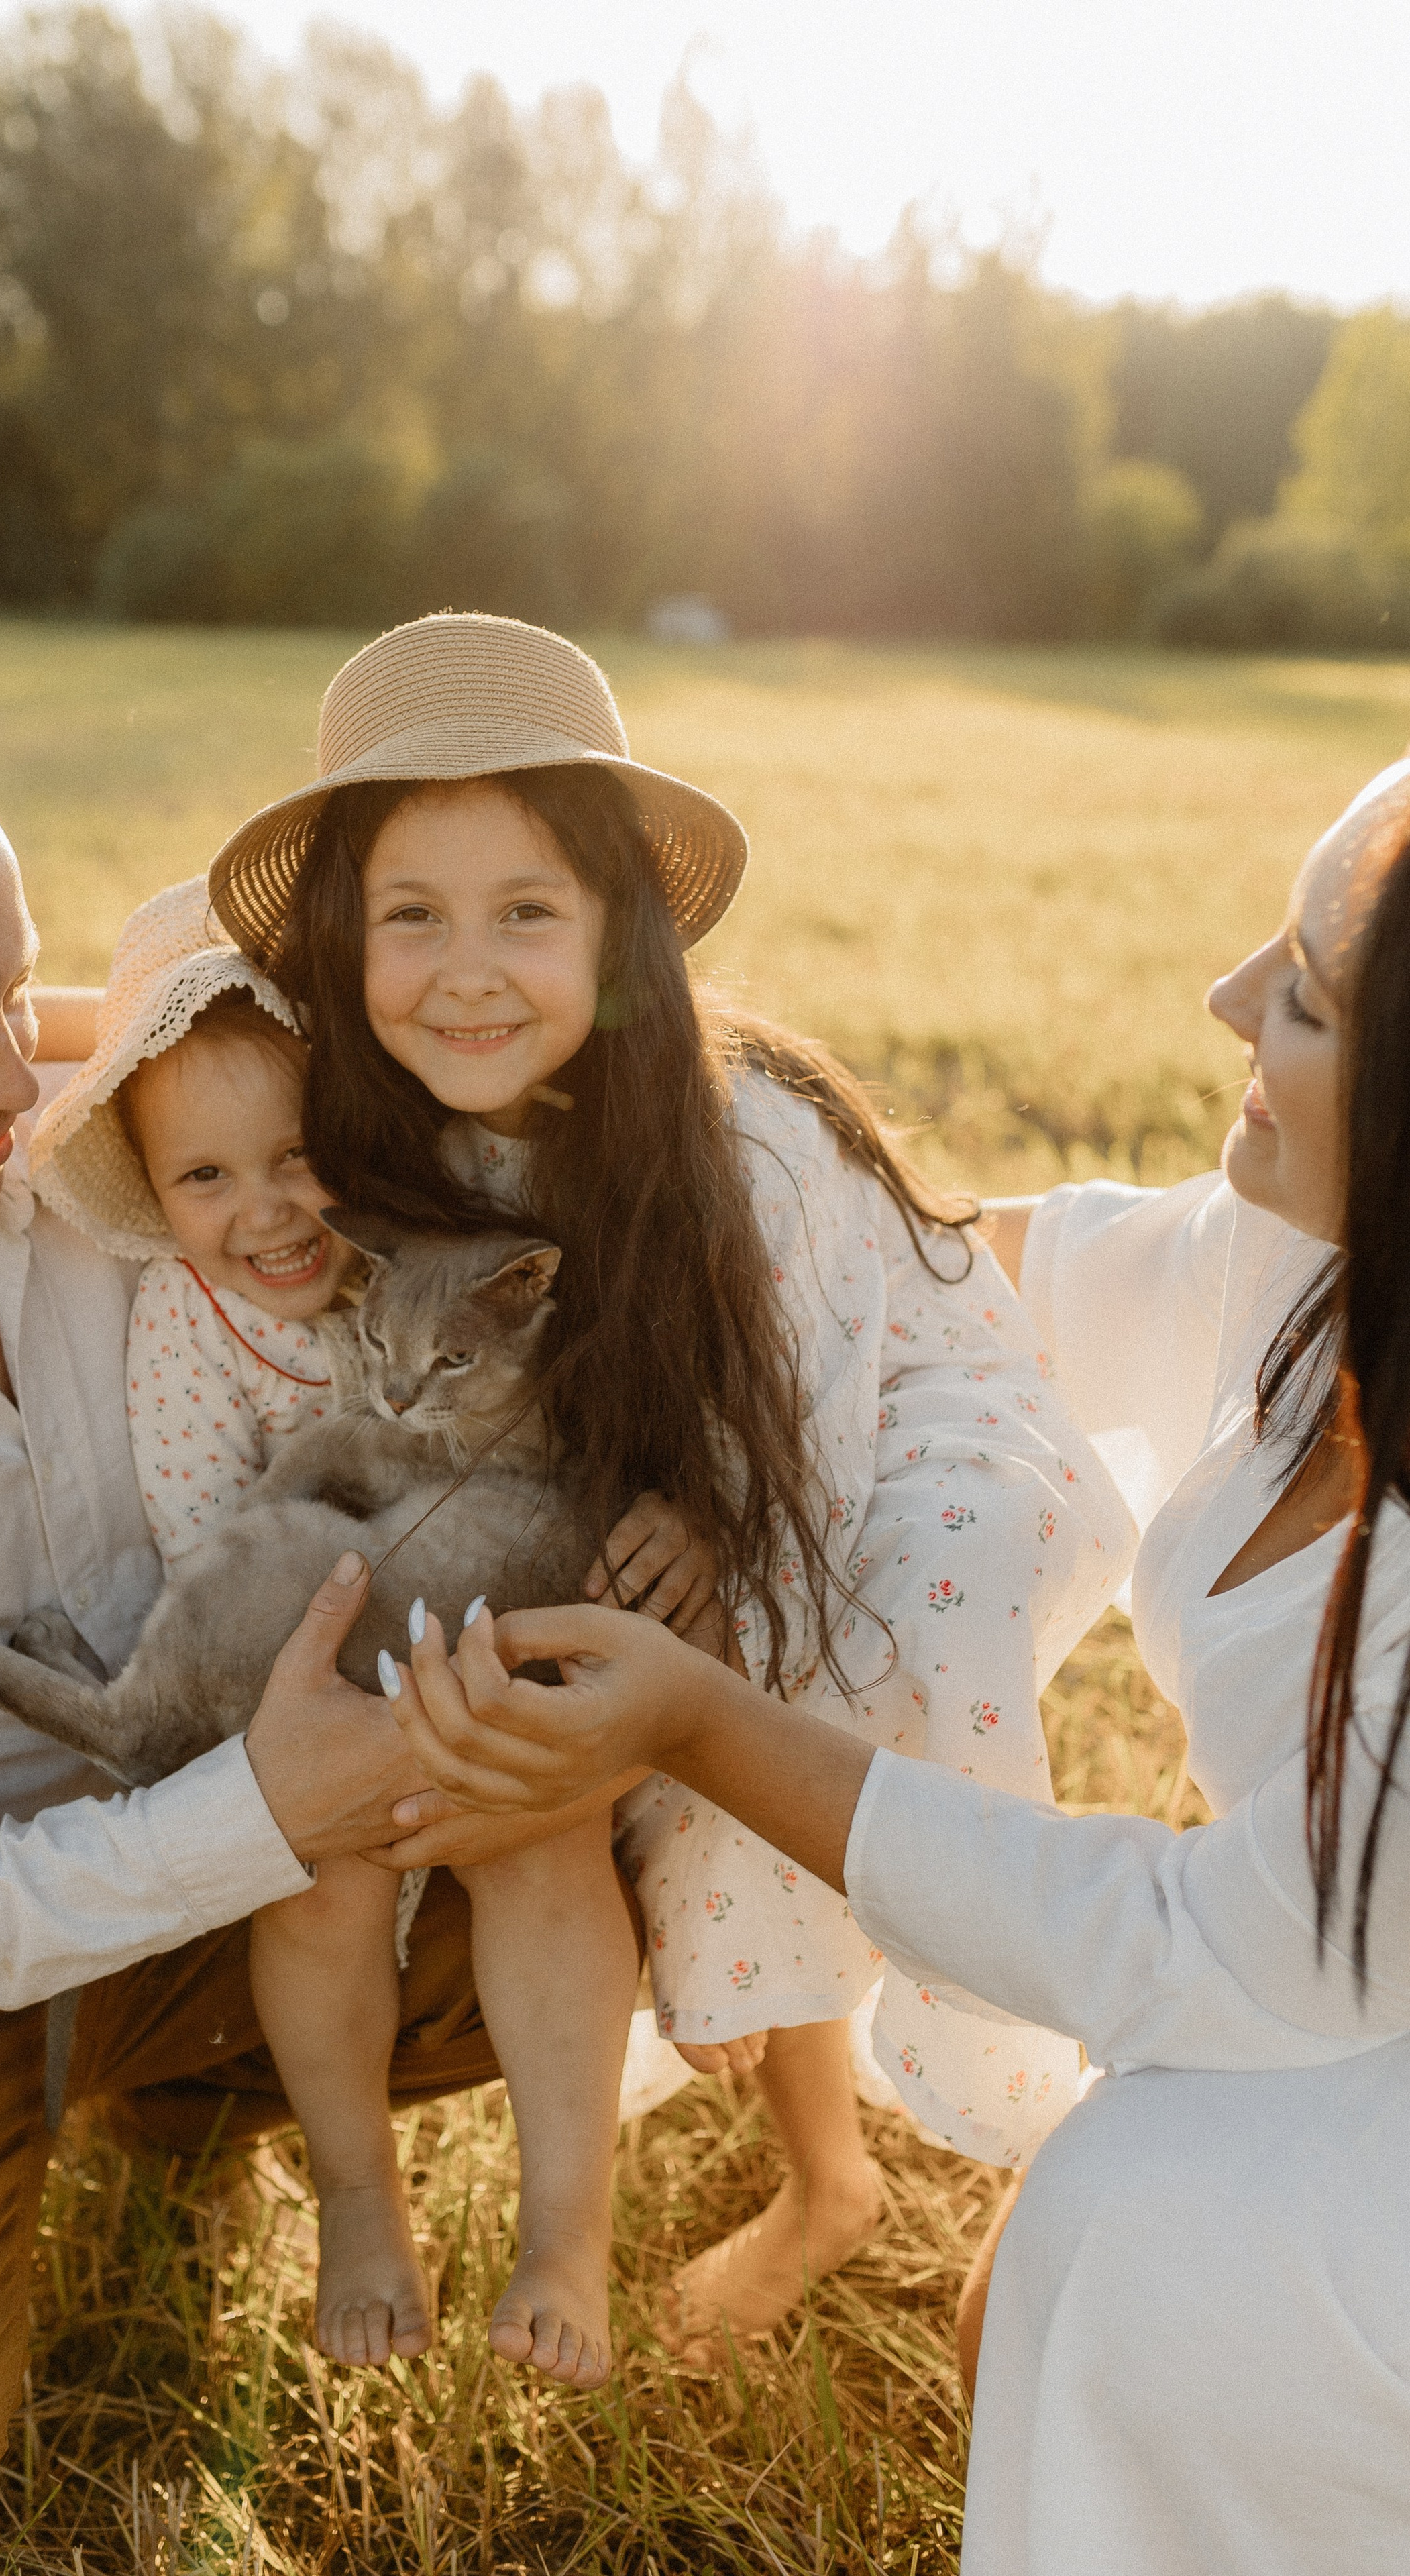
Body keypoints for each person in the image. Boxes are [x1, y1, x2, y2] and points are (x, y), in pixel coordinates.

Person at [388, 756, 1410, 2574]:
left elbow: (1202, 1951)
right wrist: (716, 1158)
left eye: (1311, 996)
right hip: (1328, 1976)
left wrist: (704, 1722)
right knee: (1056, 2287)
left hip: (1330, 2014)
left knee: (1133, 2240)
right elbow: (955, 1268)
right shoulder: (1305, 1256)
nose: (1228, 998)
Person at [0, 683, 580, 2576]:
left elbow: (508, 1033)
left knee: (608, 1821)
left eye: (17, 997)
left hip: (242, 1829)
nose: (19, 1086)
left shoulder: (129, 1139)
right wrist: (258, 1817)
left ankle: (183, 2089)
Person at [206, 611, 1135, 2361]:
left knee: (784, 1691)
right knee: (653, 1658)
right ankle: (826, 2171)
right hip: (699, 1470)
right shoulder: (384, 1104)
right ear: (340, 939)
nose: (466, 971)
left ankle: (1025, 2132)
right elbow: (153, 1014)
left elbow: (811, 1417)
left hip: (900, 1459)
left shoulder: (737, 1132)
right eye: (413, 915)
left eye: (528, 913)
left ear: (618, 927)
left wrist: (714, 1535)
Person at [29, 875, 694, 2387]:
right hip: (312, 1683)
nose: (262, 1211)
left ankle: (562, 2231)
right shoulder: (187, 1333)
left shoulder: (469, 1253)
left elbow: (608, 1429)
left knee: (547, 1842)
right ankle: (356, 2199)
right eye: (203, 1179)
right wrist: (333, 1723)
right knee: (313, 1885)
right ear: (151, 1191)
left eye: (298, 1158)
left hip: (506, 1638)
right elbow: (217, 1552)